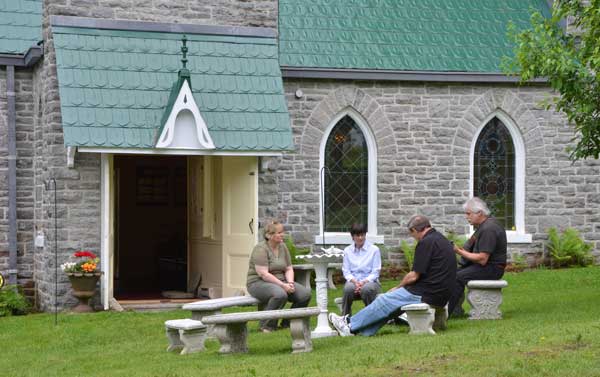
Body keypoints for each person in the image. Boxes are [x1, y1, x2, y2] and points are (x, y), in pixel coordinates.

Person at [329, 215, 456, 336]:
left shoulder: (426, 242)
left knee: (384, 300)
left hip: (426, 293)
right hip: (442, 294)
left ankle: (349, 324)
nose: (413, 237)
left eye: (411, 234)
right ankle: (359, 331)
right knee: (392, 308)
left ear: (414, 230)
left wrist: (398, 287)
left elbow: (413, 275)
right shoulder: (442, 240)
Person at [246, 221, 311, 332]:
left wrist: (290, 283)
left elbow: (289, 268)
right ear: (269, 235)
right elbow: (263, 274)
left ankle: (287, 323)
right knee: (280, 294)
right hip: (258, 282)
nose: (282, 235)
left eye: (282, 232)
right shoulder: (260, 249)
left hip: (282, 280)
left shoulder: (282, 246)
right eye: (279, 232)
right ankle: (266, 326)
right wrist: (283, 285)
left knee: (304, 295)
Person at [448, 197, 507, 317]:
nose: (466, 217)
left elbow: (482, 259)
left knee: (457, 277)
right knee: (450, 273)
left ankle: (446, 312)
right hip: (484, 267)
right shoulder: (484, 226)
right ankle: (454, 310)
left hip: (492, 269)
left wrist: (458, 251)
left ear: (479, 213)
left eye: (469, 213)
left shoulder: (489, 229)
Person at [340, 223, 381, 318]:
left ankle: (372, 317)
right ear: (352, 236)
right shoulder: (347, 251)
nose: (360, 238)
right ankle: (345, 318)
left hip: (370, 282)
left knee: (366, 289)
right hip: (353, 282)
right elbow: (346, 271)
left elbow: (375, 272)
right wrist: (355, 282)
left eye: (362, 235)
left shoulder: (374, 250)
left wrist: (363, 282)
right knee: (348, 289)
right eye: (357, 235)